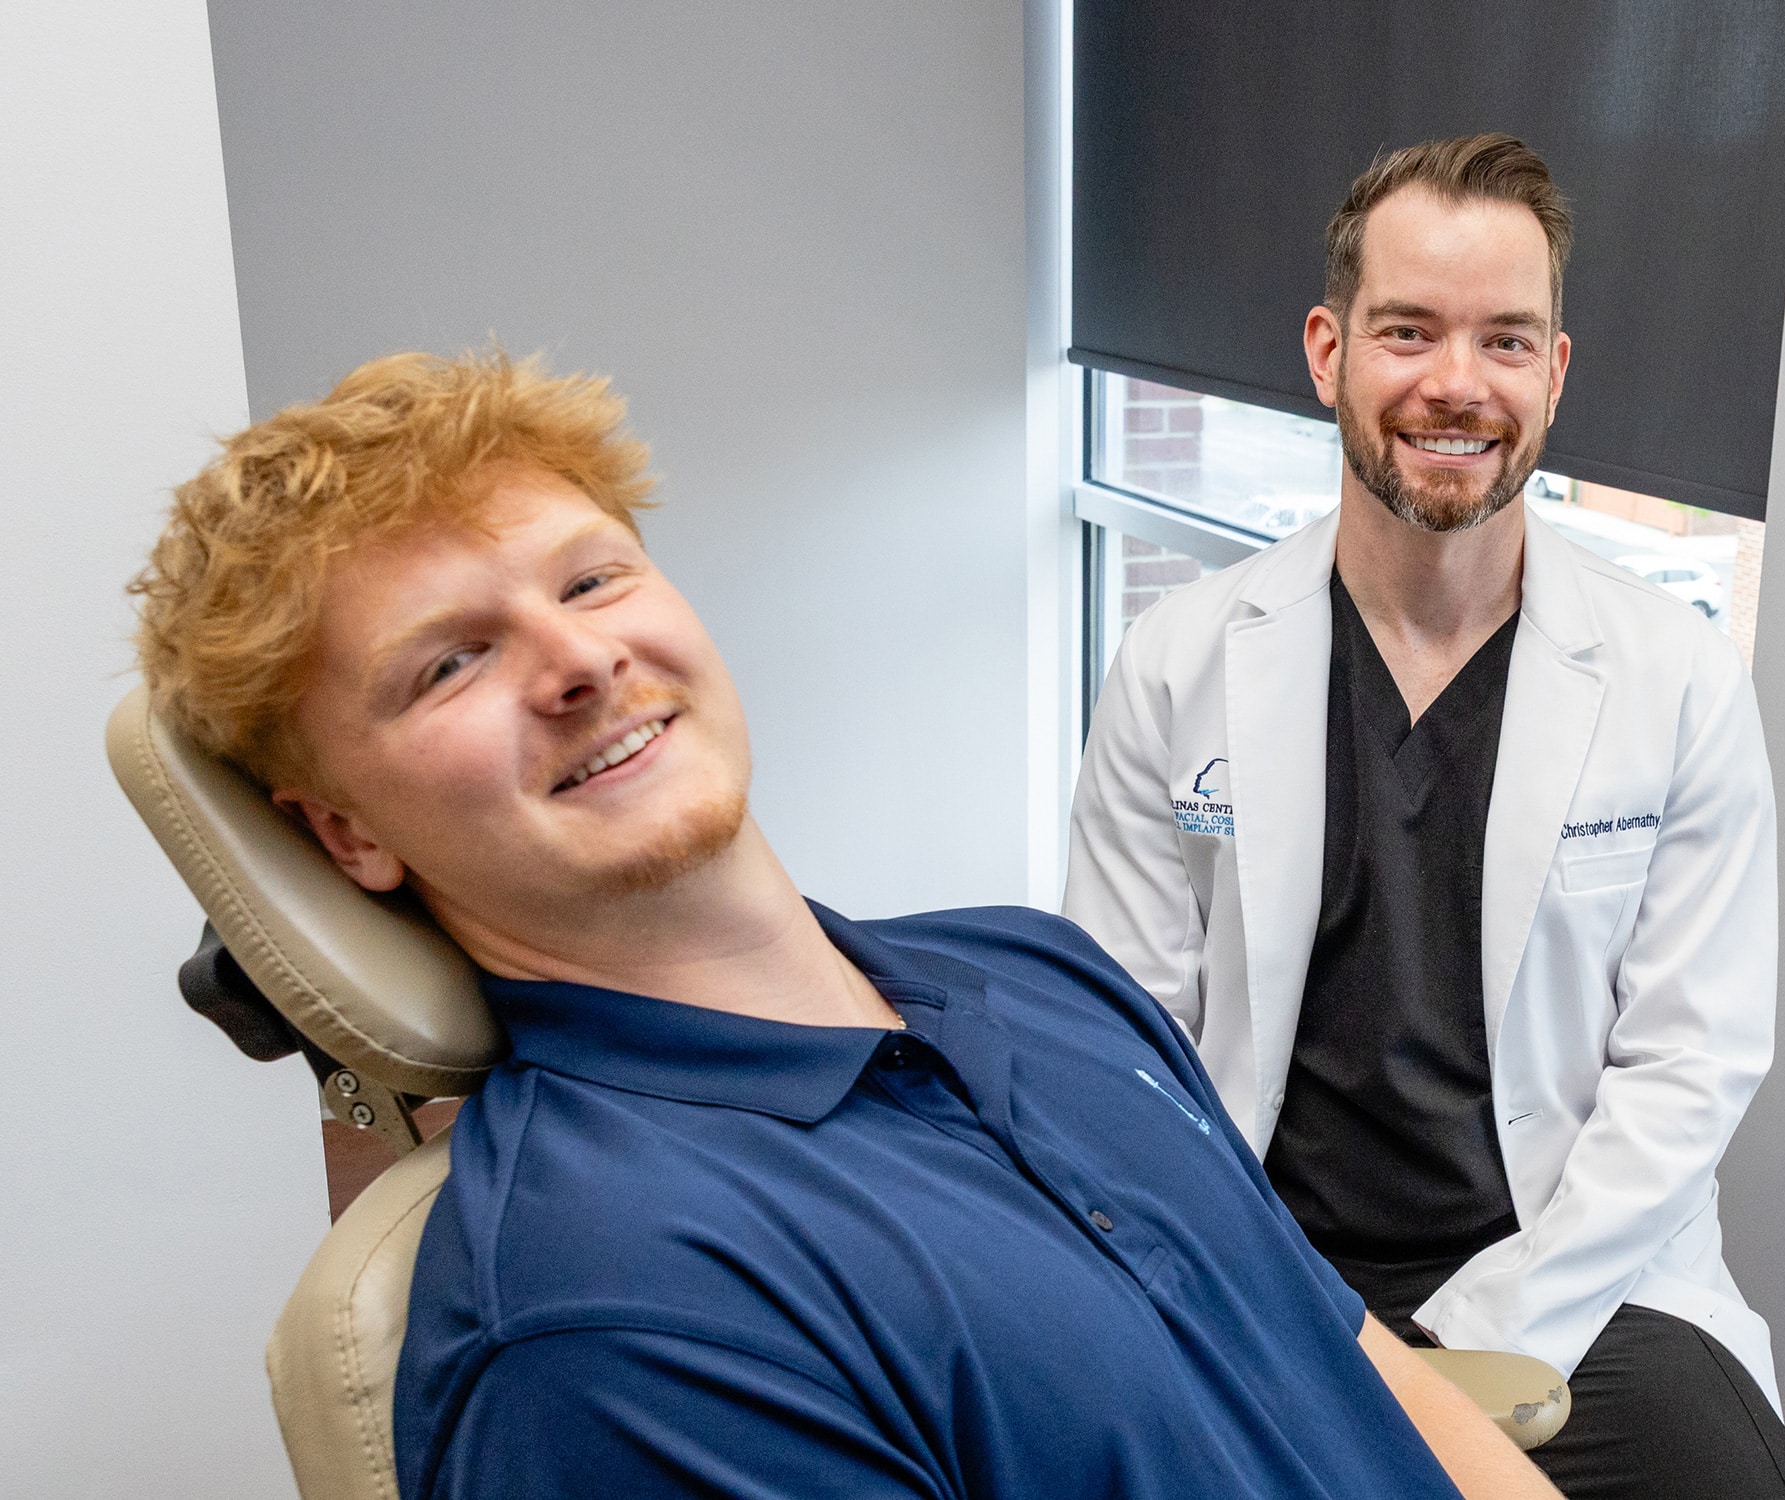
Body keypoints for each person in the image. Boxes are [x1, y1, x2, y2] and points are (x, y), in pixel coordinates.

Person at [131, 350, 1559, 1499]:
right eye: (449, 663)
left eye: (589, 578)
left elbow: (1367, 1367)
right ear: (348, 834)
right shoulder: (612, 1322)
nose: (578, 661)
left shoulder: (1035, 970)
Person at [1064, 135, 1785, 1499]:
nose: (1457, 385)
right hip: (1268, 1273)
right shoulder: (1179, 665)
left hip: (1577, 1283)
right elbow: (1131, 1056)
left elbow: (1687, 1071)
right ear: (1327, 351)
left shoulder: (1675, 683)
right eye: (1407, 332)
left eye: (1506, 341)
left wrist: (1476, 1341)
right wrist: (1301, 1318)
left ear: (1556, 372)